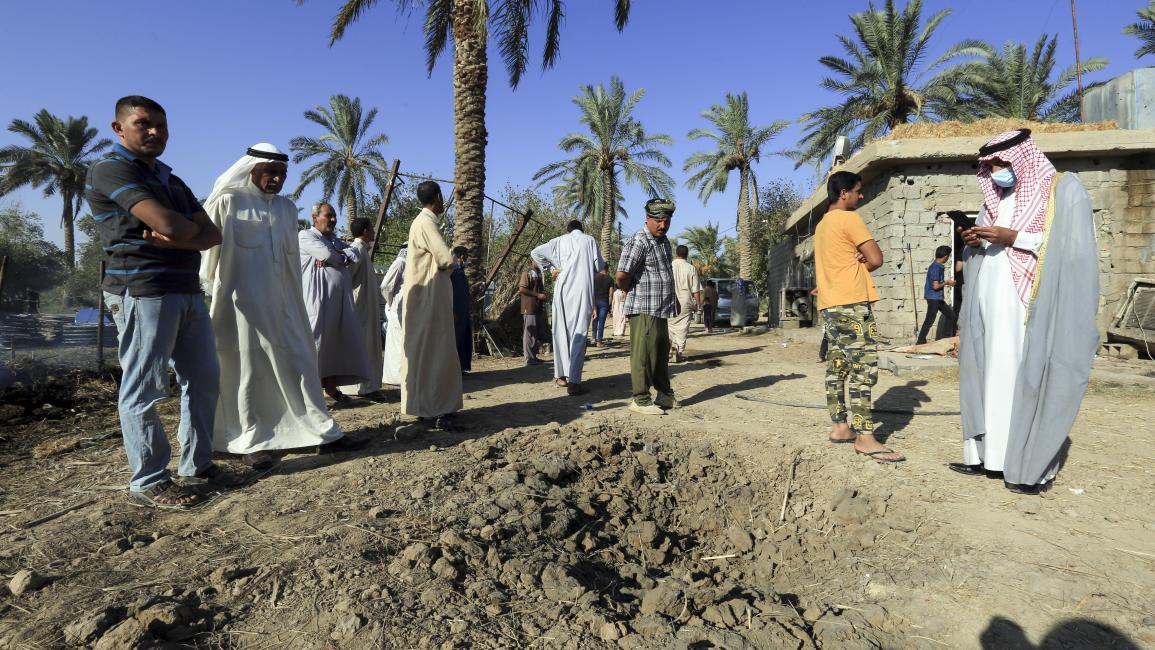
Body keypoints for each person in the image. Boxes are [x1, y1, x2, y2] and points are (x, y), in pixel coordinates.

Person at [87, 95, 227, 508]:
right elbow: (170, 224)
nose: (155, 132)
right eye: (144, 124)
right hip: (143, 289)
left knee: (203, 379)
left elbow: (212, 234)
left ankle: (197, 465)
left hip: (186, 289)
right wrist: (182, 231)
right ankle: (149, 479)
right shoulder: (110, 169)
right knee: (144, 387)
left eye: (161, 126)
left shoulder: (170, 178)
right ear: (118, 128)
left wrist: (178, 235)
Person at [954, 129, 1099, 494]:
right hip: (989, 301)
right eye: (990, 166)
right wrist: (974, 241)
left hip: (1025, 304)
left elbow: (1071, 245)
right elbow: (988, 246)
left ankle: (1021, 465)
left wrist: (1014, 237)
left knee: (1016, 376)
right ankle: (987, 458)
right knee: (986, 373)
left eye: (1001, 163)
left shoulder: (1060, 190)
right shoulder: (995, 200)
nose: (996, 171)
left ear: (1022, 157)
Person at [200, 144, 359, 470]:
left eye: (282, 174)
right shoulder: (228, 202)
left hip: (285, 304)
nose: (276, 179)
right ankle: (250, 439)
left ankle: (321, 431)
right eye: (269, 172)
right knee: (247, 370)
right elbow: (208, 259)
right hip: (241, 309)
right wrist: (212, 294)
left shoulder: (287, 209)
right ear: (251, 170)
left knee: (301, 362)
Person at [815, 171, 904, 463]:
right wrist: (863, 259)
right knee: (863, 369)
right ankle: (865, 437)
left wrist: (856, 258)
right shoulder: (849, 219)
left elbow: (840, 261)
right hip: (852, 304)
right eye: (858, 191)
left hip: (830, 305)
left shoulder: (822, 225)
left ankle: (841, 426)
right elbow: (876, 259)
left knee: (837, 367)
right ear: (844, 194)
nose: (861, 195)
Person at [399, 181, 462, 430]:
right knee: (436, 352)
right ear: (437, 196)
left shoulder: (423, 222)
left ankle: (428, 406)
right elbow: (445, 259)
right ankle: (437, 408)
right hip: (430, 298)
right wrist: (455, 260)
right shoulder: (426, 222)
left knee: (427, 353)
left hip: (425, 298)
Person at [299, 203, 374, 404]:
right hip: (316, 302)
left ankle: (331, 390)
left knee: (333, 346)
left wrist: (337, 256)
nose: (333, 219)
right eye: (328, 215)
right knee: (315, 345)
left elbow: (354, 253)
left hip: (337, 303)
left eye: (334, 215)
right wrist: (336, 256)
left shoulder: (332, 239)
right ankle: (310, 394)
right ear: (315, 217)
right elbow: (326, 255)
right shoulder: (306, 236)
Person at [616, 198, 679, 415]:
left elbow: (665, 272)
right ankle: (640, 399)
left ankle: (665, 394)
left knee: (660, 353)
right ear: (648, 219)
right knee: (643, 355)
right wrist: (627, 290)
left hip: (661, 307)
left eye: (667, 221)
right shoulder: (639, 240)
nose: (663, 225)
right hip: (644, 307)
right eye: (658, 221)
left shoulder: (663, 241)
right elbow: (622, 274)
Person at [532, 220, 605, 396]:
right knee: (579, 335)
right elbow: (599, 266)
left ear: (568, 230)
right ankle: (574, 383)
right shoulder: (590, 240)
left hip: (562, 290)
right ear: (582, 229)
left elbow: (535, 252)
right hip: (581, 291)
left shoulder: (558, 241)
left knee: (560, 332)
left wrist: (551, 268)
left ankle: (561, 377)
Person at [339, 218, 385, 399]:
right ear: (365, 231)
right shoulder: (356, 249)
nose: (374, 232)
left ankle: (367, 386)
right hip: (360, 309)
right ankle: (365, 388)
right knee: (364, 347)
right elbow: (344, 276)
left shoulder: (362, 250)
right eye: (371, 229)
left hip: (366, 308)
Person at [915, 245, 957, 345]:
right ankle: (920, 341)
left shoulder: (936, 266)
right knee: (930, 320)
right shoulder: (936, 268)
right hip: (934, 298)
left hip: (937, 298)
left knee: (951, 315)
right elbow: (936, 286)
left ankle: (945, 339)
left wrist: (946, 283)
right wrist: (947, 282)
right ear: (945, 257)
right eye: (948, 256)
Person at [669, 244, 703, 363]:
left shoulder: (669, 266)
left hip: (669, 299)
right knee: (682, 328)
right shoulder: (691, 268)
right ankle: (678, 352)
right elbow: (695, 290)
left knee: (669, 326)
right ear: (687, 254)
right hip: (685, 301)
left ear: (676, 253)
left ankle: (669, 350)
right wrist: (698, 304)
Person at [380, 243, 407, 385]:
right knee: (397, 345)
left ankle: (404, 376)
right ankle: (395, 377)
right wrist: (391, 303)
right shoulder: (400, 263)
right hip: (397, 309)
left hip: (406, 309)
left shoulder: (410, 265)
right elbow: (385, 286)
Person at [518, 259, 547, 365]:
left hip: (537, 307)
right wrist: (538, 295)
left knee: (535, 332)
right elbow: (522, 289)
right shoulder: (527, 273)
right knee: (529, 333)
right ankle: (529, 358)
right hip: (529, 307)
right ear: (532, 260)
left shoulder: (539, 273)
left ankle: (534, 356)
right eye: (537, 259)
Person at [450, 246, 473, 375]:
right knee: (456, 340)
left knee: (463, 339)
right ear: (462, 257)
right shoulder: (453, 271)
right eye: (466, 256)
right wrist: (452, 311)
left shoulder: (460, 271)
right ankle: (455, 369)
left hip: (463, 311)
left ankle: (461, 367)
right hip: (456, 312)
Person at [591, 266, 613, 346]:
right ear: (607, 269)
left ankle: (593, 338)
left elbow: (591, 291)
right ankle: (599, 341)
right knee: (601, 321)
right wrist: (610, 304)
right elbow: (611, 294)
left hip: (595, 301)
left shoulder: (594, 278)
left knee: (595, 319)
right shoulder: (610, 279)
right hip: (604, 302)